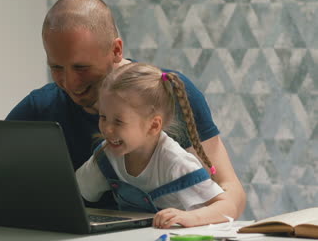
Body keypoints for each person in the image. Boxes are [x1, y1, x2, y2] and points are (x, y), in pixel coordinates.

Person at [0, 0, 245, 221]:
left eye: (81, 67)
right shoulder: (40, 107)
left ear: (116, 50)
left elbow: (230, 192)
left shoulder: (169, 93)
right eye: (56, 67)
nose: (69, 83)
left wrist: (190, 218)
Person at [76, 62, 233, 228]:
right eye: (103, 117)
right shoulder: (106, 154)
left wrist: (190, 217)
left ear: (153, 126)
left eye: (118, 121)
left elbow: (227, 207)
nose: (107, 129)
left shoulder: (175, 162)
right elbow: (77, 191)